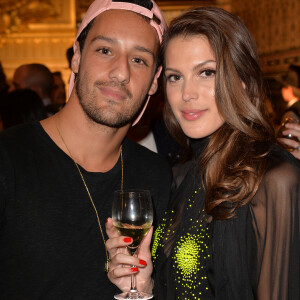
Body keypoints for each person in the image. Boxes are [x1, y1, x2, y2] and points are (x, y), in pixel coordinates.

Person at [106, 7, 300, 300]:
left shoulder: (275, 181)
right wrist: (143, 286)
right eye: (175, 77)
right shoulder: (178, 175)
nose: (187, 94)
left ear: (243, 80)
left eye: (206, 72)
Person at [0, 0, 171, 299]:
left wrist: (144, 290)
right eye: (105, 50)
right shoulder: (7, 160)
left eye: (139, 60)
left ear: (154, 81)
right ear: (77, 57)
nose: (120, 73)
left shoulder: (158, 176)